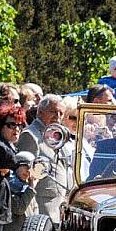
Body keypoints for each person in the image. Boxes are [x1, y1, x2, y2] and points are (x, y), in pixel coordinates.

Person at [16, 94, 70, 224]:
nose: (57, 116)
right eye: (53, 111)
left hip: (59, 205)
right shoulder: (30, 135)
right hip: (41, 206)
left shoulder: (57, 136)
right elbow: (26, 176)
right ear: (40, 112)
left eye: (60, 113)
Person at [0, 151, 38, 231]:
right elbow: (19, 208)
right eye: (25, 166)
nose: (28, 171)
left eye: (31, 168)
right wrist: (31, 189)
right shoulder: (11, 184)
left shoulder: (26, 186)